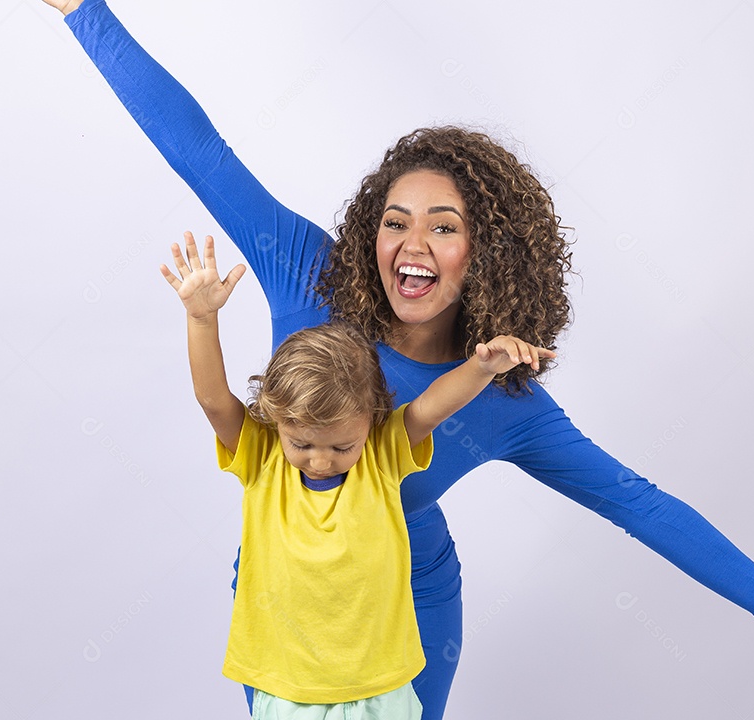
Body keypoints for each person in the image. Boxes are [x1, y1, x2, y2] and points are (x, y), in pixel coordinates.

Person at [40, 2, 754, 718]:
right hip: (285, 594)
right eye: (396, 222)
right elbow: (201, 154)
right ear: (371, 236)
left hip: (412, 606)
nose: (413, 244)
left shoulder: (501, 398)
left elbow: (635, 502)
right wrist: (85, 12)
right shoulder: (304, 271)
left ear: (484, 255)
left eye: (444, 227)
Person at [160, 230, 553, 719]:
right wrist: (202, 318)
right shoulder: (261, 456)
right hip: (287, 688)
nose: (320, 461)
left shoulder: (383, 451)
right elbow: (213, 398)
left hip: (380, 686)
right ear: (275, 420)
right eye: (301, 443)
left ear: (371, 419)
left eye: (340, 446)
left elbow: (431, 407)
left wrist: (483, 367)